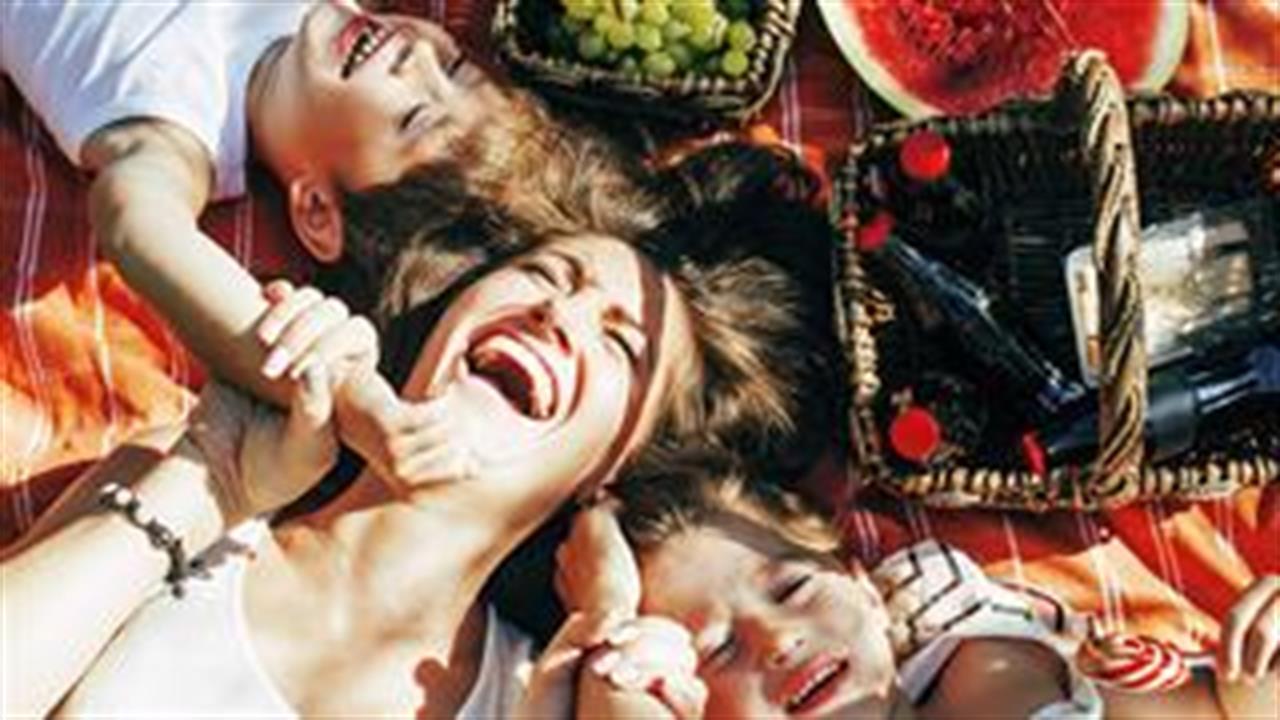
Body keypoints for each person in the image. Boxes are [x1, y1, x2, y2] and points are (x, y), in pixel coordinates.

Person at [2, 135, 842, 716]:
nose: (557, 315)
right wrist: (215, 479)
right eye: (548, 275)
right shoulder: (194, 487)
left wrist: (604, 629)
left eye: (620, 343)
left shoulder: (540, 694)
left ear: (610, 469)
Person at [0, 0, 661, 489]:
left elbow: (140, 228)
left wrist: (350, 397)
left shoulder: (172, 122)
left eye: (412, 115)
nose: (417, 56)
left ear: (316, 212)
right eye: (456, 65)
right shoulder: (335, 27)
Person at [552, 448, 1280, 719]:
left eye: (793, 589)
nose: (775, 639)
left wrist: (1262, 666)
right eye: (716, 650)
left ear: (866, 589)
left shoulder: (993, 657)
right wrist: (607, 618)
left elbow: (1219, 708)